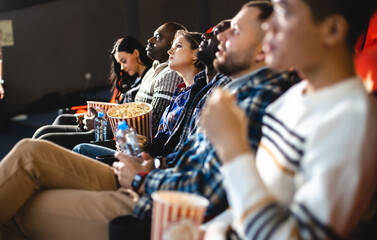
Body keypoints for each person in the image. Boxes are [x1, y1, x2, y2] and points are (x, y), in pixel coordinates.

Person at [0, 2, 299, 239]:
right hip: (155, 176)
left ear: (265, 47)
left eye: (234, 31)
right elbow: (186, 155)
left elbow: (209, 190)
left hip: (159, 205)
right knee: (30, 150)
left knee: (21, 208)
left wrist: (144, 177)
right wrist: (149, 165)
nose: (220, 36)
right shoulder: (226, 87)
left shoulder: (255, 96)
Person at [201, 0, 377, 239]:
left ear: (332, 30)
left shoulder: (352, 121)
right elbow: (256, 201)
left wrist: (233, 149)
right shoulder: (293, 97)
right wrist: (208, 231)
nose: (268, 26)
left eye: (283, 12)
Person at [73, 21, 231, 160]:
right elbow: (162, 136)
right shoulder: (180, 91)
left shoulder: (199, 89)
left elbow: (164, 134)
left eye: (178, 46)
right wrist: (143, 145)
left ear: (195, 55)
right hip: (149, 154)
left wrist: (148, 153)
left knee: (79, 148)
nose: (170, 51)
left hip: (159, 163)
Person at [31, 36, 153, 149]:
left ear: (136, 53)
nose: (122, 67)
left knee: (46, 138)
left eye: (124, 61)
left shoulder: (148, 80)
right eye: (119, 63)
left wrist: (101, 122)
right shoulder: (130, 78)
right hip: (106, 124)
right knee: (60, 120)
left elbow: (134, 118)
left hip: (114, 132)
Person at [135, 22, 186, 136]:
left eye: (158, 37)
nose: (150, 40)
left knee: (85, 148)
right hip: (133, 137)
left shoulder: (171, 74)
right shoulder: (151, 70)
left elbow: (153, 123)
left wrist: (110, 124)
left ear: (173, 46)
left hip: (145, 144)